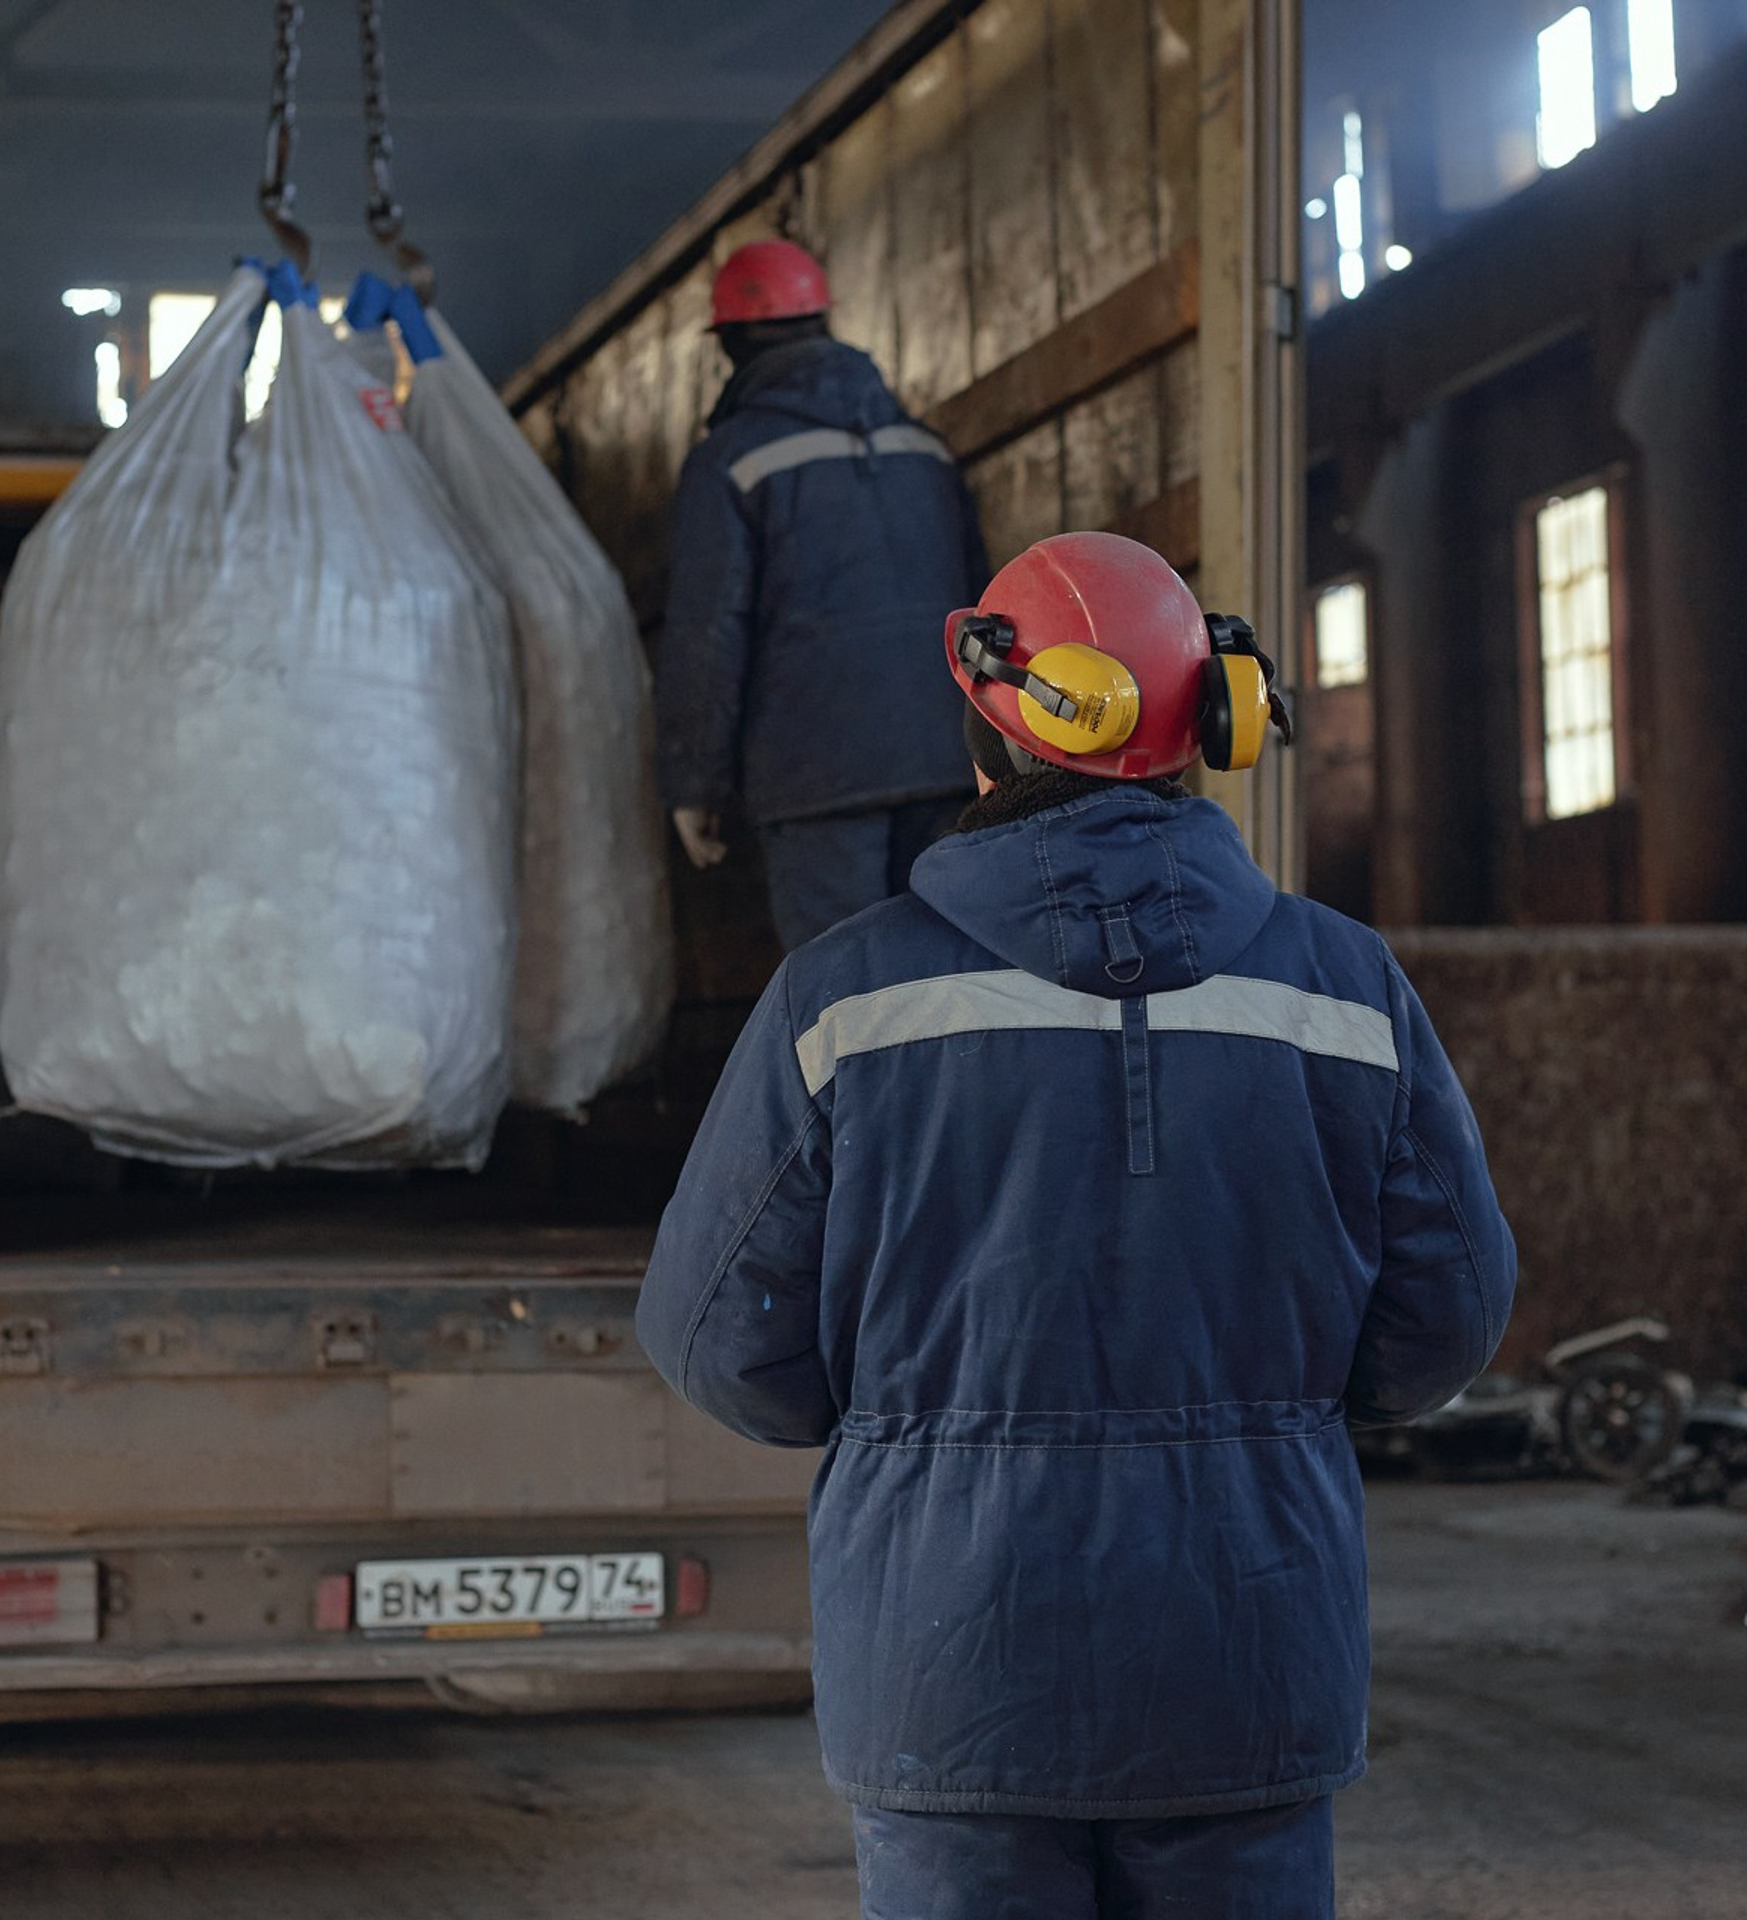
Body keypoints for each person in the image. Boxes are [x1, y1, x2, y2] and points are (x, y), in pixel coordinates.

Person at [635, 531, 1516, 1919]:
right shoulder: (1347, 995)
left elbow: (717, 1341)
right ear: (1206, 726)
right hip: (1248, 1647)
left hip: (949, 1661)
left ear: (993, 720)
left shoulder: (843, 1002)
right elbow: (1444, 1326)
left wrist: (909, 1420)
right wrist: (1266, 1414)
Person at [657, 237, 988, 950]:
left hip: (815, 780)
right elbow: (990, 614)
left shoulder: (729, 462)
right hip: (947, 761)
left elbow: (706, 633)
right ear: (825, 323)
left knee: (841, 993)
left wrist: (695, 784)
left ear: (732, 344)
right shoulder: (927, 451)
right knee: (947, 982)